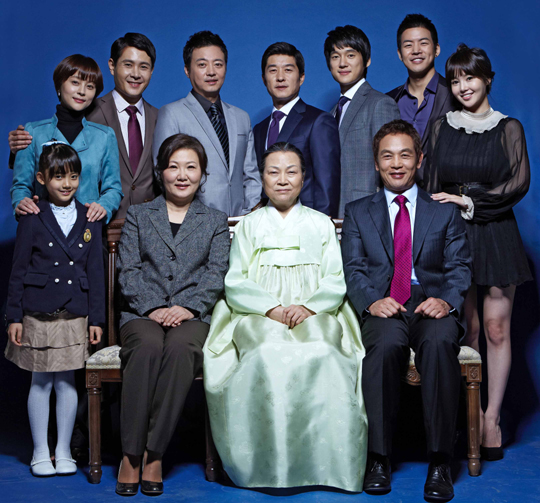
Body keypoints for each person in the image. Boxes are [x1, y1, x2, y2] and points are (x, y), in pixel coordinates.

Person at [203, 142, 368, 492]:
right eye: (273, 172)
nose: (282, 180)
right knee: (265, 352)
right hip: (258, 311)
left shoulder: (321, 224)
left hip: (315, 309)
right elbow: (236, 280)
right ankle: (266, 465)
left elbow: (335, 279)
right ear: (262, 178)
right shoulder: (249, 225)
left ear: (303, 178)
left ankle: (325, 464)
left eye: (291, 172)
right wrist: (271, 308)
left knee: (324, 351)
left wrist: (309, 307)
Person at [342, 120, 472, 501]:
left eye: (405, 155)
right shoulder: (358, 212)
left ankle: (440, 462)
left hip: (431, 302)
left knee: (439, 343)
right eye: (387, 156)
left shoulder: (443, 211)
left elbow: (459, 266)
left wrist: (446, 300)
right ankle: (379, 458)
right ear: (376, 163)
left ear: (419, 159)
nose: (396, 164)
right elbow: (353, 268)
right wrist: (371, 300)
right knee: (383, 347)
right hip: (385, 303)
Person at [427, 44, 532, 461]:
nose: (463, 86)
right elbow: (431, 184)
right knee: (467, 331)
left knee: (496, 329)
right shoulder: (442, 126)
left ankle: (492, 418)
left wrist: (469, 201)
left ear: (487, 79)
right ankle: (467, 417)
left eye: (470, 77)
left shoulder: (508, 127)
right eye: (455, 80)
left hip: (496, 232)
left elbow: (518, 183)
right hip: (455, 236)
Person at [115, 134, 230, 496]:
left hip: (192, 314)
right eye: (173, 166)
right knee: (147, 348)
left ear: (202, 174)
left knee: (182, 349)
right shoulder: (139, 215)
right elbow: (128, 270)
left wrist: (188, 307)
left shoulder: (214, 220)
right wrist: (153, 307)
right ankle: (130, 454)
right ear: (161, 172)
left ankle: (154, 453)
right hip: (141, 312)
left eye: (191, 167)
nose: (182, 175)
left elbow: (216, 273)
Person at [5, 143, 105, 477]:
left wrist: (97, 318)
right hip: (38, 311)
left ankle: (63, 450)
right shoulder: (32, 216)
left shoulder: (90, 217)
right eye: (58, 177)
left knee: (66, 382)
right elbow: (18, 269)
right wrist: (14, 316)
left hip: (75, 311)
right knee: (40, 382)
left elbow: (96, 272)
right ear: (41, 178)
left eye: (73, 176)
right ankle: (40, 451)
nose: (66, 184)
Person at [8, 33, 158, 220]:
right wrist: (16, 151)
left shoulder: (158, 118)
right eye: (128, 64)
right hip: (55, 226)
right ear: (112, 66)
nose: (81, 91)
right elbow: (23, 182)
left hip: (122, 223)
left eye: (143, 66)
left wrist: (104, 207)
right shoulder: (82, 110)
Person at [153, 31, 261, 216]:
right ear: (187, 70)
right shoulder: (171, 114)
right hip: (194, 222)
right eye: (202, 64)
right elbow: (162, 174)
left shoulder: (241, 117)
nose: (211, 71)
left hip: (240, 222)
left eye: (218, 64)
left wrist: (249, 214)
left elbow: (251, 174)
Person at [9, 54, 123, 223]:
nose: (82, 91)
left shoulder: (105, 136)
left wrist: (103, 207)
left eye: (90, 86)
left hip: (88, 228)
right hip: (44, 227)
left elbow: (113, 188)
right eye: (75, 82)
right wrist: (21, 202)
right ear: (59, 85)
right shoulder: (33, 132)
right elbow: (21, 186)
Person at [253, 42, 340, 216]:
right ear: (263, 79)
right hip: (267, 223)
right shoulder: (259, 129)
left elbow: (327, 185)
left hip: (305, 222)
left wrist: (321, 226)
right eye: (273, 70)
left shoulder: (319, 121)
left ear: (301, 77)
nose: (280, 77)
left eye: (288, 70)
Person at [324, 25, 400, 217]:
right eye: (335, 56)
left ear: (367, 60)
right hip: (335, 214)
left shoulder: (380, 104)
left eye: (350, 55)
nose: (342, 63)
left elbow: (392, 165)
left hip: (369, 212)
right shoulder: (331, 113)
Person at [387, 14, 456, 183]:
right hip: (398, 194)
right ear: (400, 54)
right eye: (408, 45)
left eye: (423, 43)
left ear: (437, 49)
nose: (416, 50)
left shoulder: (456, 95)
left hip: (443, 194)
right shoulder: (388, 101)